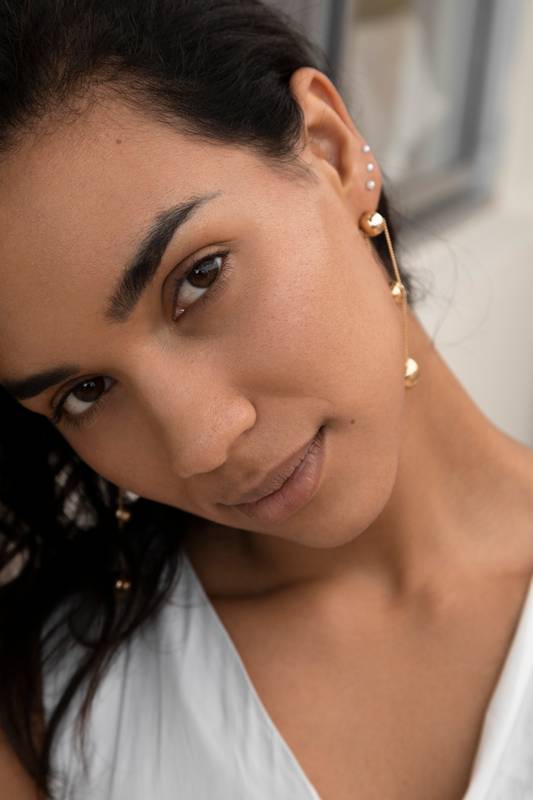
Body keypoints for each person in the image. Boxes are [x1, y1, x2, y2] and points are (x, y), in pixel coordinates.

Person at [1, 1, 533, 798]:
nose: (201, 445)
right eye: (86, 393)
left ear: (330, 149)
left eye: (198, 278)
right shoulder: (43, 710)